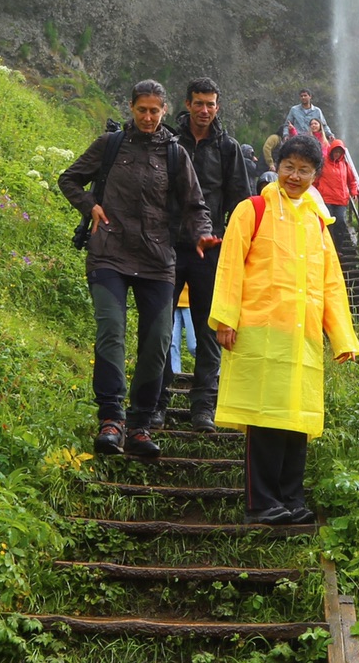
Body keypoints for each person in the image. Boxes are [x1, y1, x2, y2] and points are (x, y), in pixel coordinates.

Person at [206, 134, 359, 525]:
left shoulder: (317, 223)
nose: (295, 176)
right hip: (260, 331)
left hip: (303, 337)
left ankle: (292, 499)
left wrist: (341, 336)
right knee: (265, 418)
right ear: (276, 167)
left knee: (298, 421)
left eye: (304, 170)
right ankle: (261, 503)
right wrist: (225, 317)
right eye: (288, 167)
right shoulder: (252, 209)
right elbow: (230, 265)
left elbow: (331, 283)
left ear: (316, 174)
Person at [59, 80, 210, 460]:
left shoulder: (175, 155)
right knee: (111, 330)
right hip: (109, 252)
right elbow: (69, 178)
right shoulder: (109, 146)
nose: (147, 117)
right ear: (131, 107)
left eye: (154, 111)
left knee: (158, 339)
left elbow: (195, 205)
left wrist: (203, 235)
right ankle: (112, 419)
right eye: (141, 109)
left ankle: (140, 424)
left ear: (164, 110)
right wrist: (90, 206)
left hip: (158, 259)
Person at [159, 77, 255, 429]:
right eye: (198, 103)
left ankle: (204, 406)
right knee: (160, 325)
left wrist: (229, 241)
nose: (204, 110)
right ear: (187, 104)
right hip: (168, 246)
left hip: (211, 250)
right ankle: (158, 402)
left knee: (208, 325)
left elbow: (241, 201)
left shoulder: (227, 148)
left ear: (218, 107)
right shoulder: (169, 142)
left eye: (210, 104)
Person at [315, 135, 359, 259]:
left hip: (341, 199)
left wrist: (354, 192)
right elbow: (315, 178)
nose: (337, 154)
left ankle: (338, 248)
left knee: (340, 222)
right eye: (335, 151)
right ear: (331, 150)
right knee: (328, 223)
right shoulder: (323, 162)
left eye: (339, 152)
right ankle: (329, 247)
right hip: (326, 197)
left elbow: (352, 180)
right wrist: (312, 192)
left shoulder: (345, 165)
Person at [170, 283, 196, 382]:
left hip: (192, 302)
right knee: (172, 344)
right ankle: (175, 377)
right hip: (173, 300)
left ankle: (215, 373)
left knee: (194, 345)